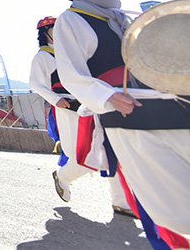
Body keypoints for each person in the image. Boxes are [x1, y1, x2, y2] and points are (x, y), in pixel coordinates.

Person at [53, 0, 190, 238]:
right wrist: (108, 97)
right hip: (126, 112)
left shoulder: (128, 18)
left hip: (170, 104)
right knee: (165, 195)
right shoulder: (71, 19)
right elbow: (72, 73)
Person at [29, 15, 129, 214]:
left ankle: (120, 201)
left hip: (92, 104)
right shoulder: (43, 57)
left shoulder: (72, 52)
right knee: (85, 156)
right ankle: (62, 177)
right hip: (69, 109)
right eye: (54, 28)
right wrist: (55, 99)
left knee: (109, 150)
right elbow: (36, 83)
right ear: (45, 33)